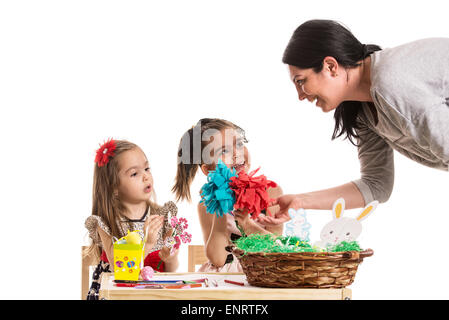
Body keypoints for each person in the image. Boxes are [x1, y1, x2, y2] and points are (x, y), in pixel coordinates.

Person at [269, 19, 449, 223]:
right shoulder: (363, 110)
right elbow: (376, 185)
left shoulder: (391, 85)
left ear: (330, 66)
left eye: (301, 81)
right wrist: (301, 201)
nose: (301, 95)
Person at [172, 118, 283, 272]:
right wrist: (221, 205)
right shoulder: (206, 205)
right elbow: (218, 259)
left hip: (264, 272)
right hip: (225, 277)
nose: (237, 153)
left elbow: (279, 247)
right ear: (208, 169)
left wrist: (247, 224)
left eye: (238, 144)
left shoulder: (271, 191)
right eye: (224, 151)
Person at [83, 139, 179, 300]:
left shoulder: (162, 216)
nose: (146, 177)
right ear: (114, 187)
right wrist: (147, 244)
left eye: (147, 168)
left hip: (153, 293)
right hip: (115, 294)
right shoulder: (104, 222)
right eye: (135, 173)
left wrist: (170, 257)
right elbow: (119, 270)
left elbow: (171, 270)